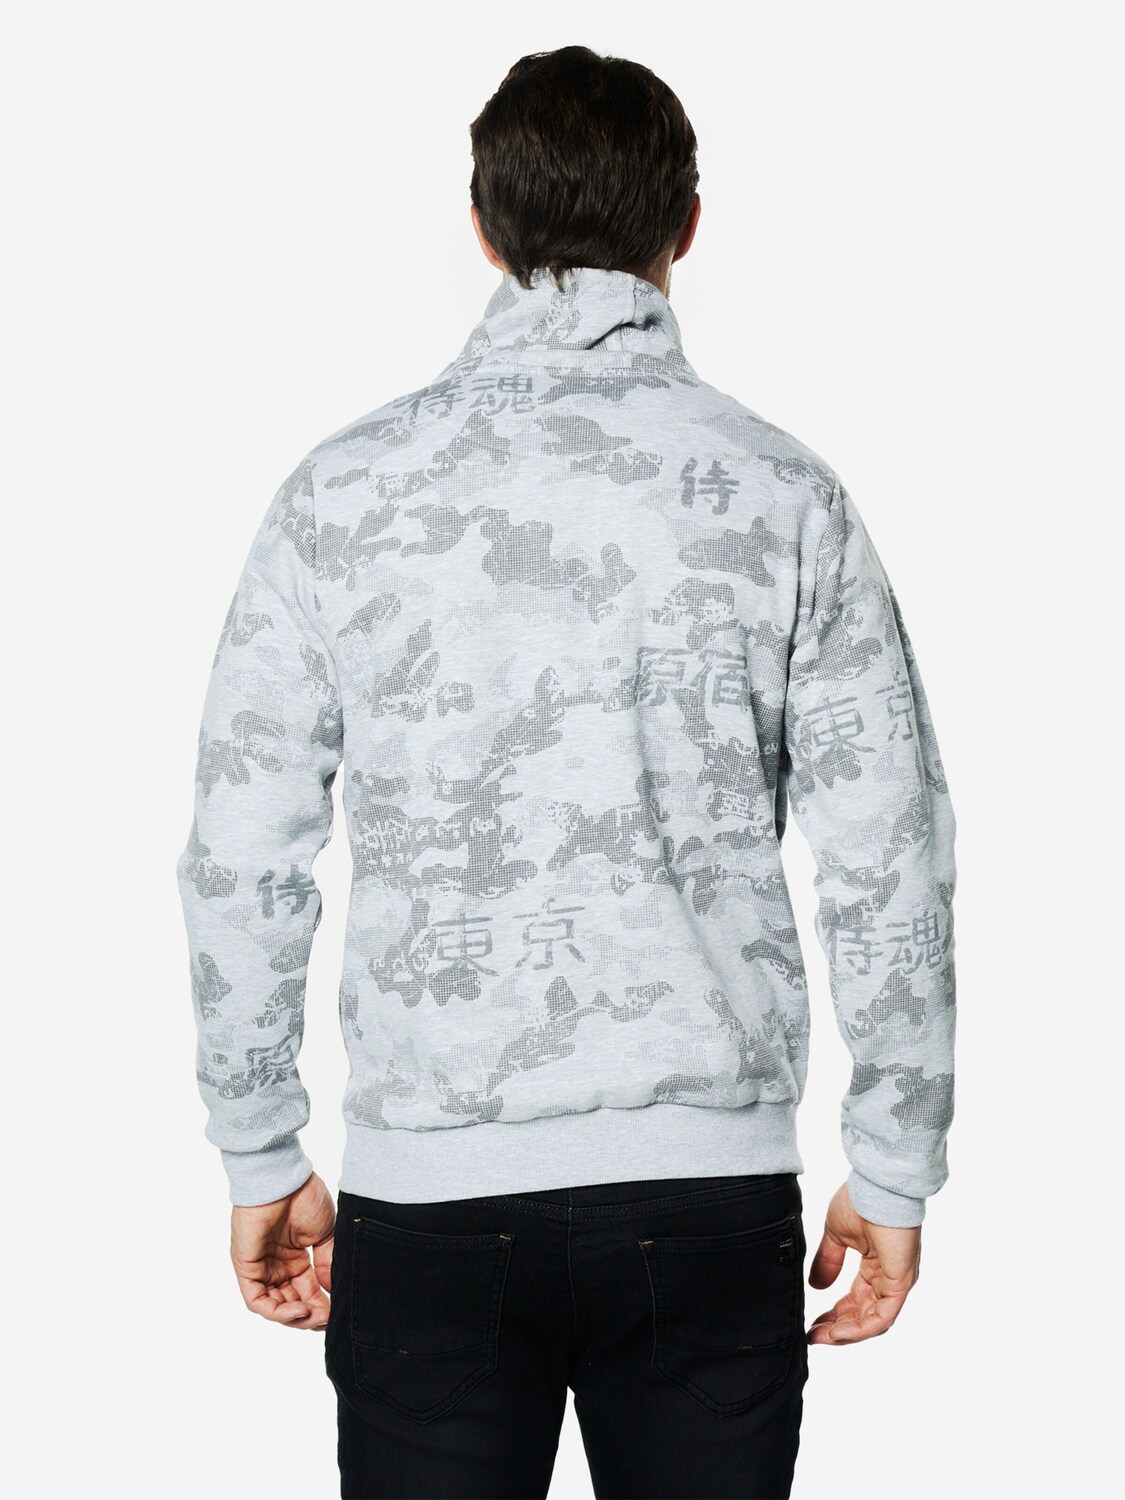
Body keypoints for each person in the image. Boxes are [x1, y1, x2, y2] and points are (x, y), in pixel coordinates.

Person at [175, 43, 957, 1500]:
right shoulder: (783, 494)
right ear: (687, 229)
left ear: (482, 229)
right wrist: (896, 1160)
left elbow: (242, 850)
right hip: (709, 1196)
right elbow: (887, 851)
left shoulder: (339, 495)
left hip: (431, 1199)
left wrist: (258, 1149)